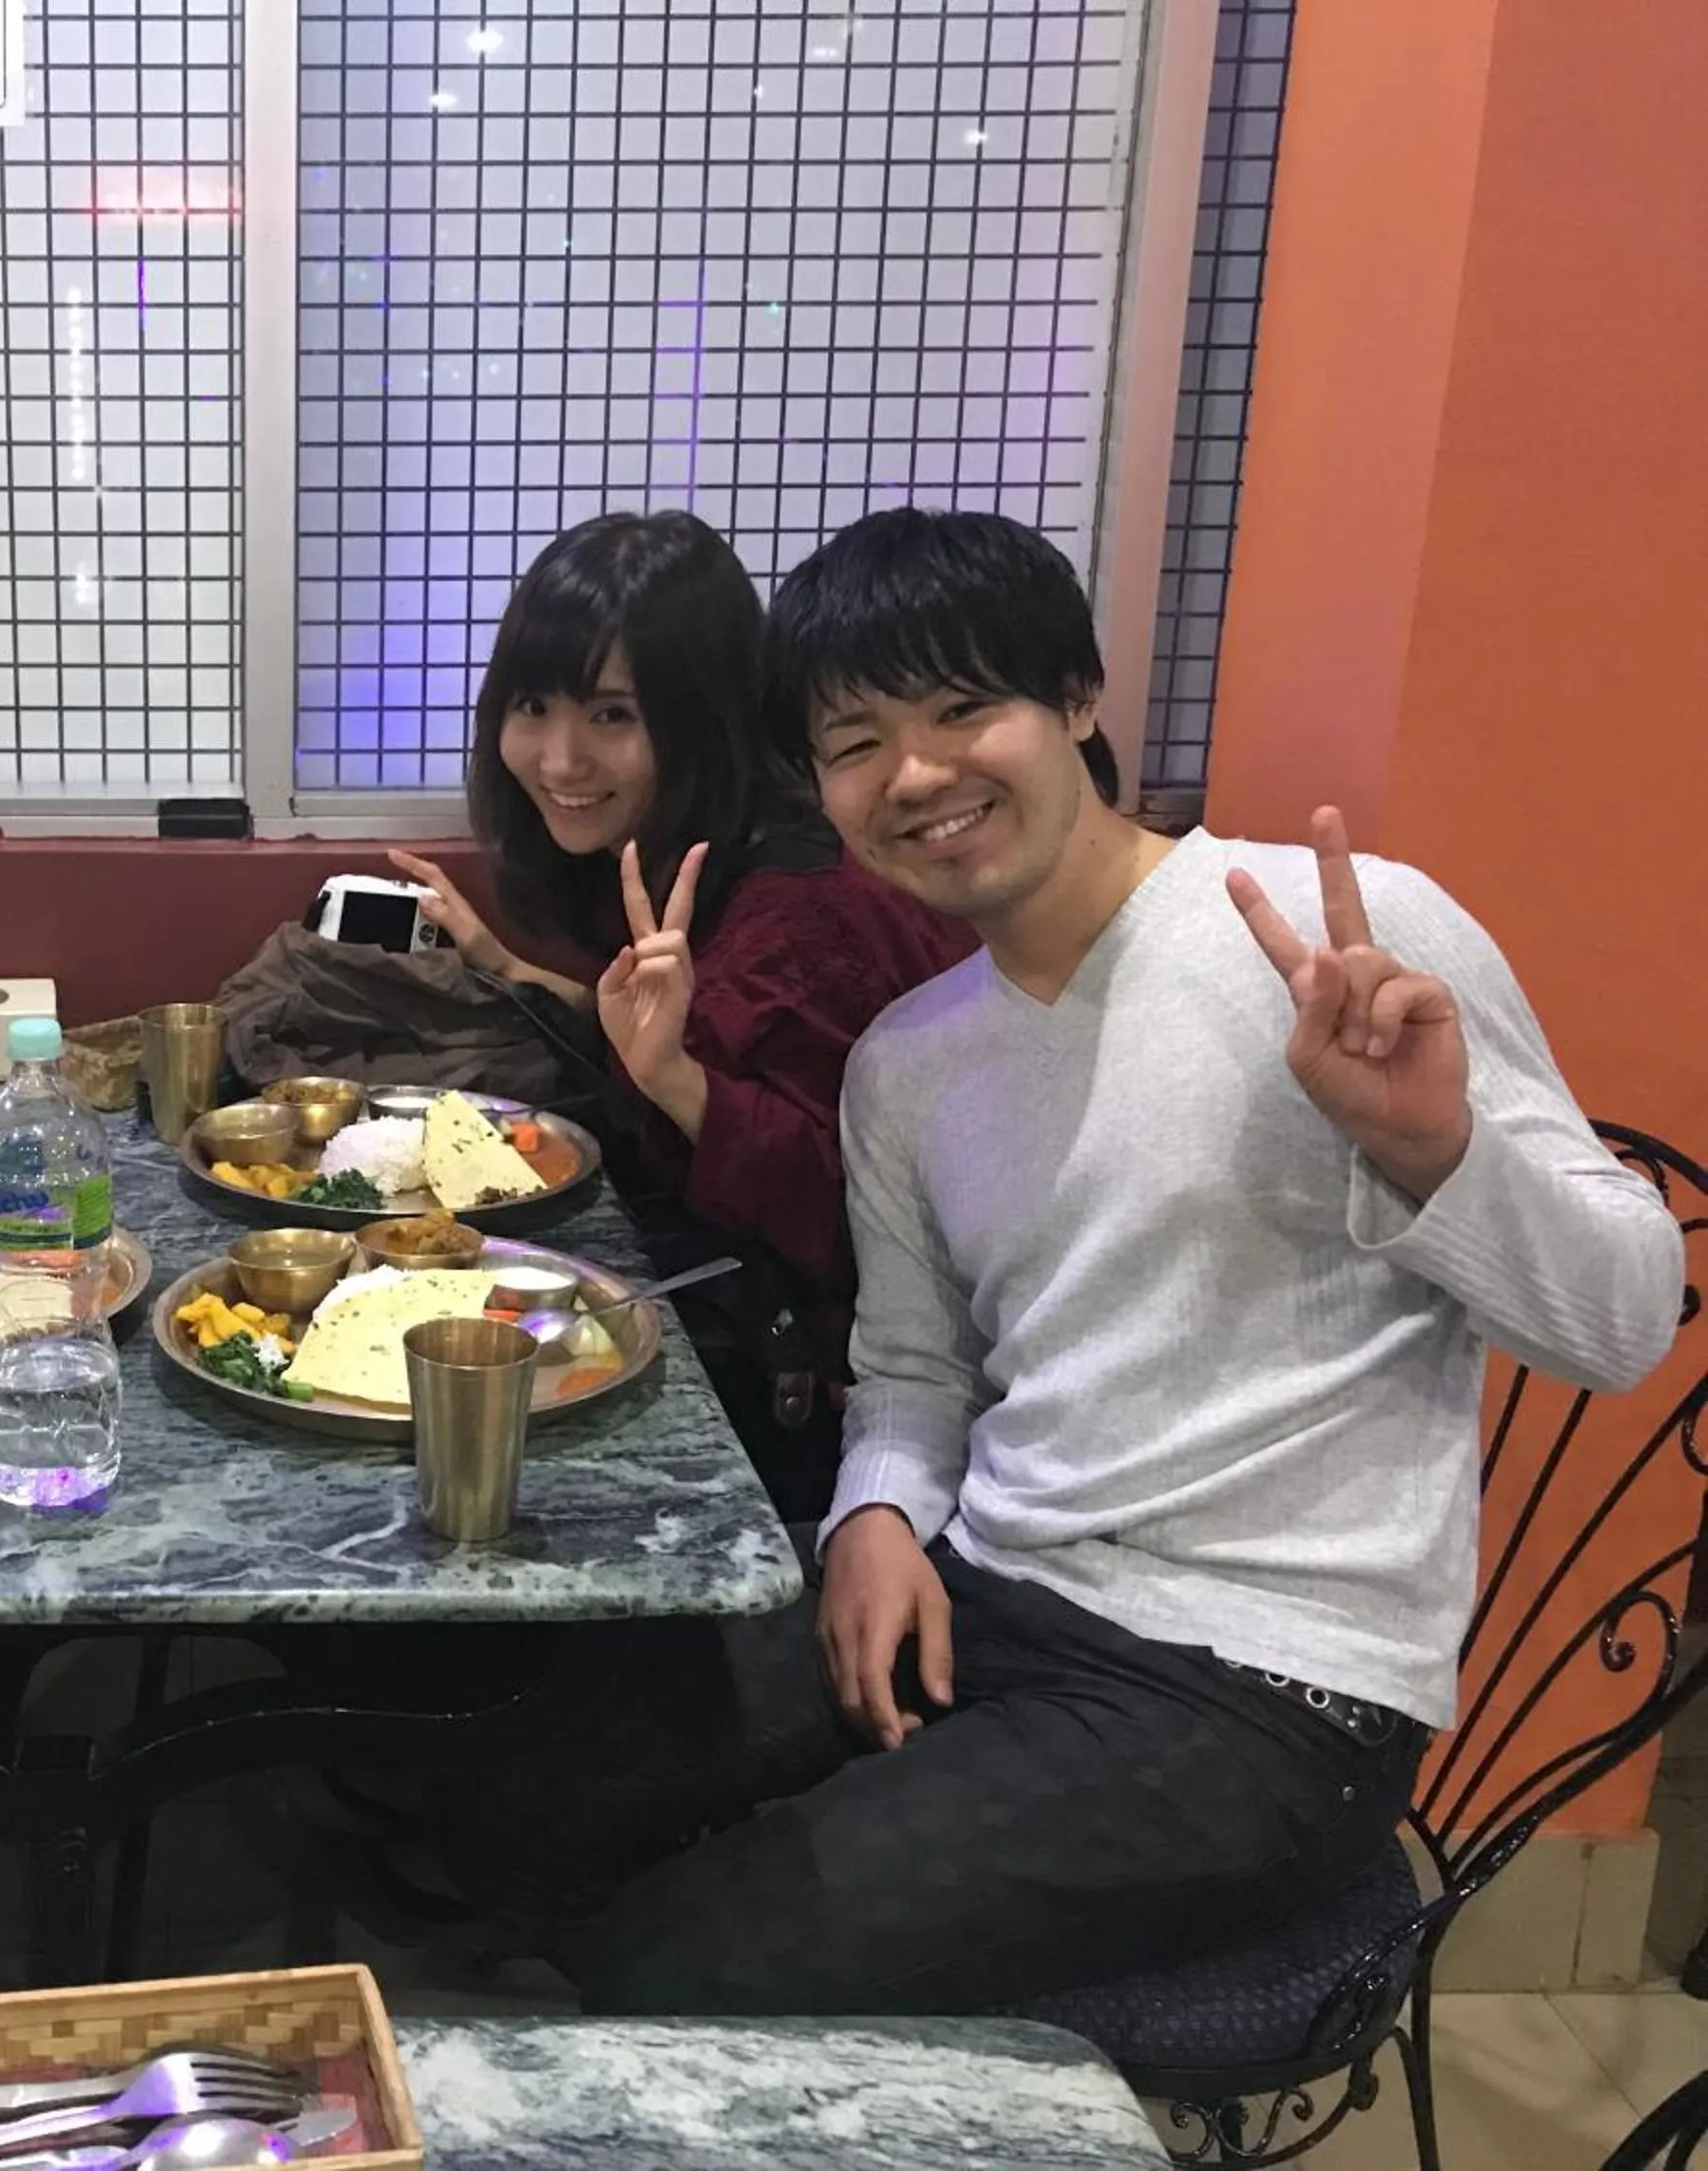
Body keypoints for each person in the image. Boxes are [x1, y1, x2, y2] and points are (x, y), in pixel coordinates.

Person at [510, 506, 1685, 2014]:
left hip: (1259, 1683)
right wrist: (874, 1516)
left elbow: (1627, 1319)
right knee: (521, 1812)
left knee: (675, 1956)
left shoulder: (1340, 939)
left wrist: (1431, 1152)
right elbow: (916, 1368)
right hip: (989, 1582)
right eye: (858, 741)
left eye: (962, 708)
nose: (917, 775)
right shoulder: (915, 1062)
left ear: (1075, 699)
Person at [387, 511, 971, 1513]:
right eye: (533, 706)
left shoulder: (799, 913)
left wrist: (677, 1084)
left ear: (701, 717)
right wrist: (498, 963)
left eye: (614, 716)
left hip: (850, 1423)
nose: (559, 759)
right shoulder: (694, 852)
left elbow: (858, 1219)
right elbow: (664, 1049)